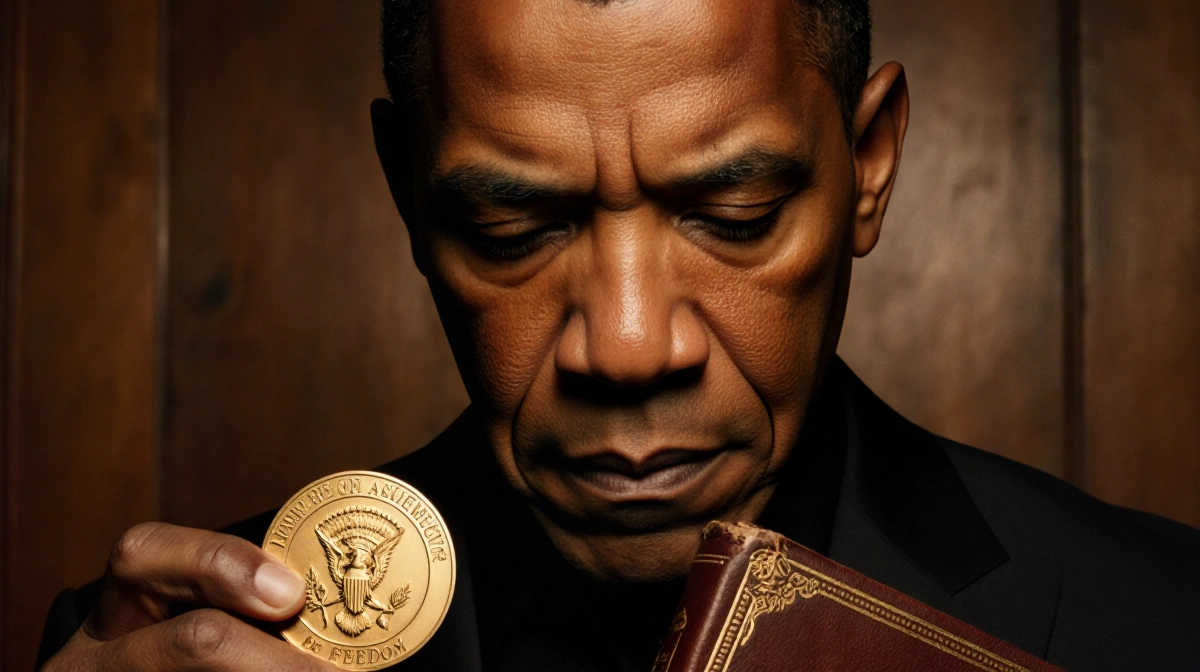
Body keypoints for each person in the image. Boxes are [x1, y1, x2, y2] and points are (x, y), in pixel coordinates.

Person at [35, 1, 1200, 670]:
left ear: (870, 169)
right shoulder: (170, 651)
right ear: (406, 196)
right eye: (512, 224)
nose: (629, 345)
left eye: (732, 215)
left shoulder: (1161, 624)